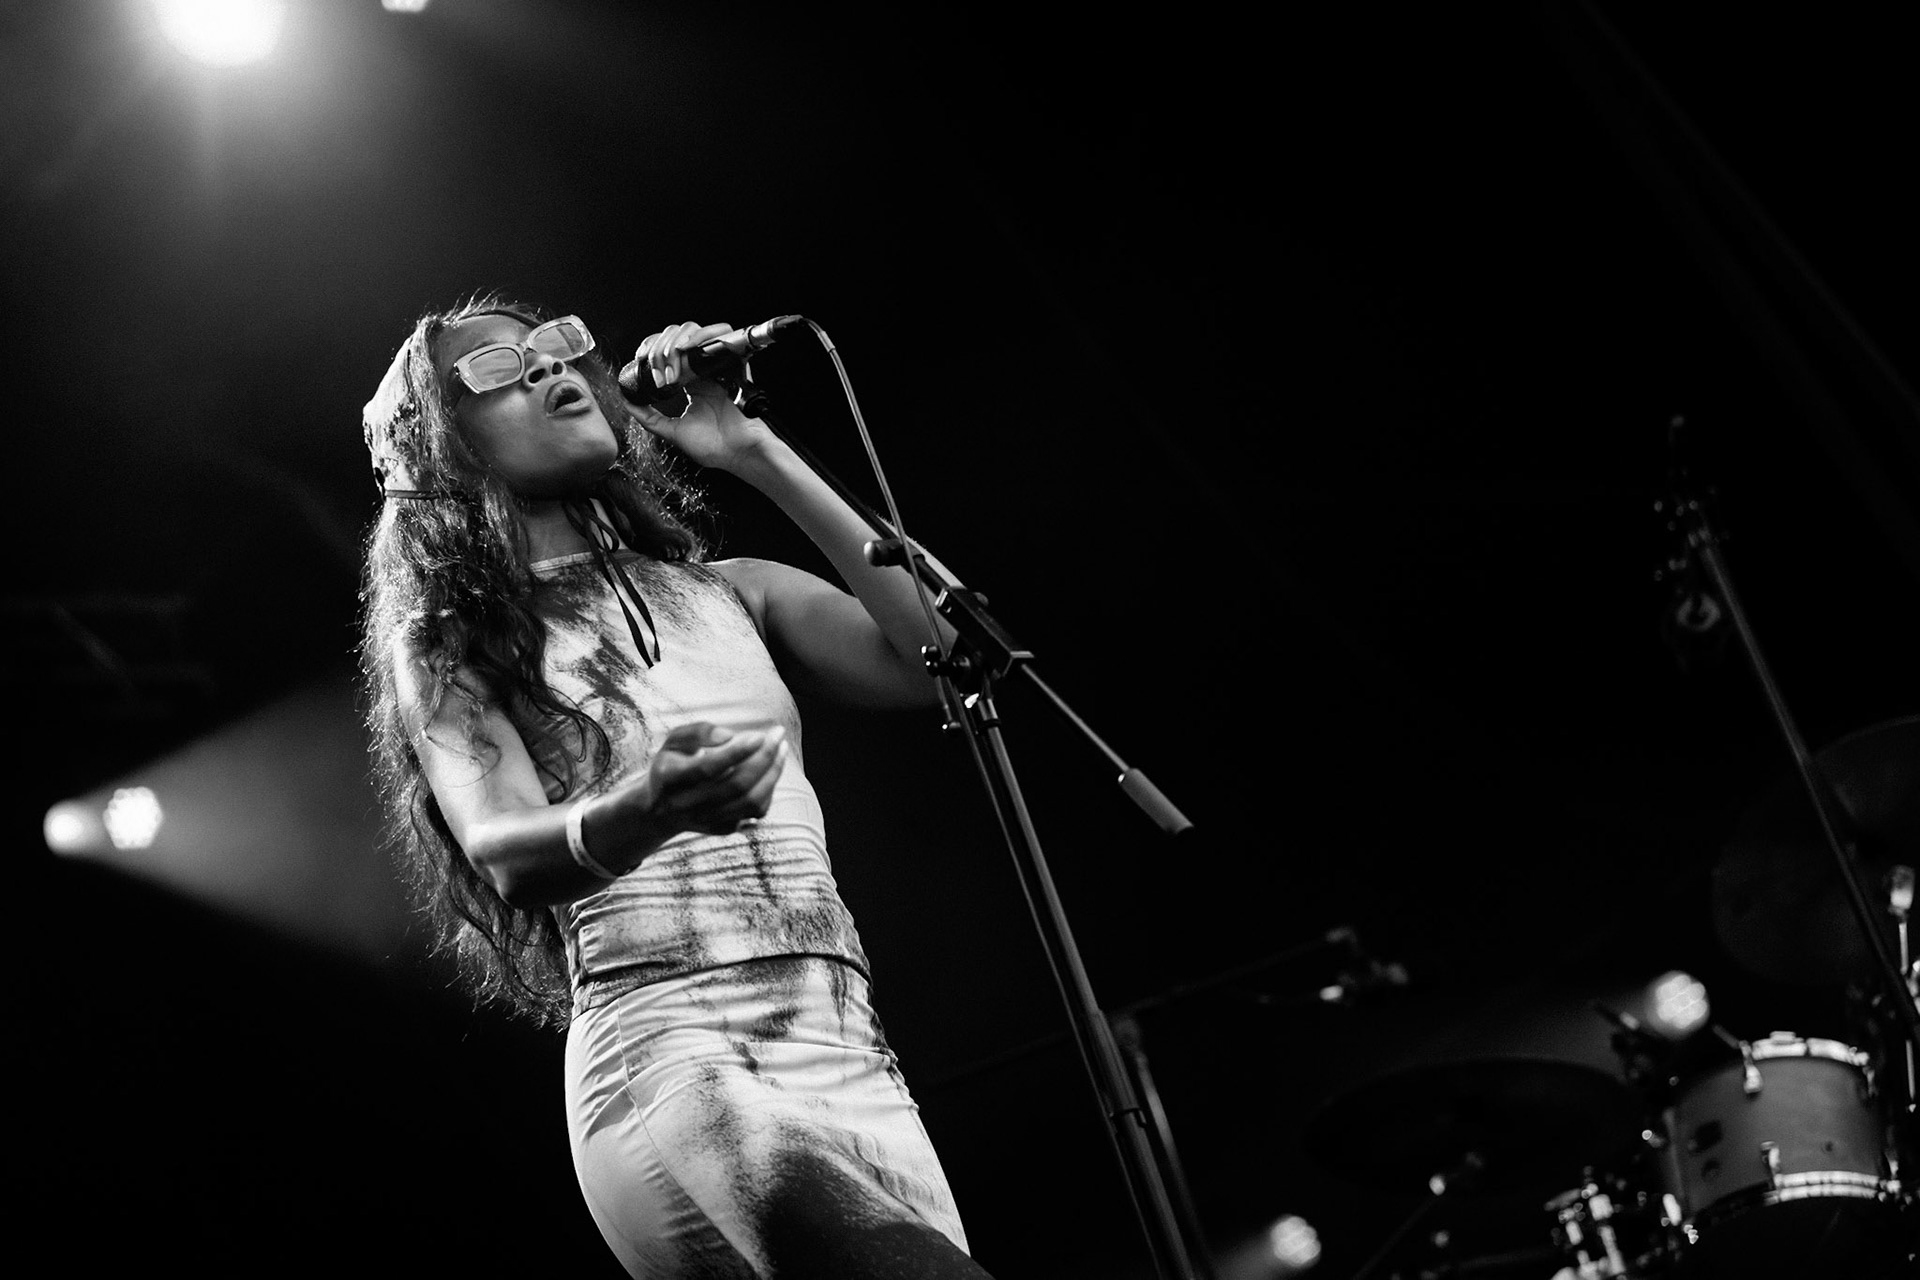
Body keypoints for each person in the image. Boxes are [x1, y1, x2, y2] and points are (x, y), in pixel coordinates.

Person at [357, 294, 994, 1279]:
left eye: (556, 349)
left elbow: (946, 657)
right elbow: (504, 850)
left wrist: (752, 450)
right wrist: (648, 804)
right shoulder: (452, 641)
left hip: (847, 1041)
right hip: (674, 1046)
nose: (546, 370)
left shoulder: (732, 589)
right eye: (494, 372)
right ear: (443, 446)